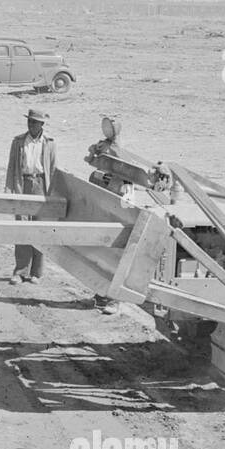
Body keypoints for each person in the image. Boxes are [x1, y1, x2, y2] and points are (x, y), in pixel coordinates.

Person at [4, 106, 55, 285]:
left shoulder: (49, 143)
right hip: (23, 184)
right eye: (29, 121)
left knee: (40, 229)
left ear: (42, 124)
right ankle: (20, 272)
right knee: (22, 228)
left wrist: (52, 195)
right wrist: (9, 190)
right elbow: (12, 167)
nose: (31, 124)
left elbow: (53, 170)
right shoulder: (18, 141)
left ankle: (37, 273)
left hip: (41, 186)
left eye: (35, 122)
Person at [85, 117, 124, 314]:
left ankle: (113, 300)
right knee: (99, 253)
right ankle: (101, 293)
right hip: (101, 203)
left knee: (114, 254)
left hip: (115, 206)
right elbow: (93, 166)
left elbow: (124, 179)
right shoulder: (103, 147)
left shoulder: (119, 152)